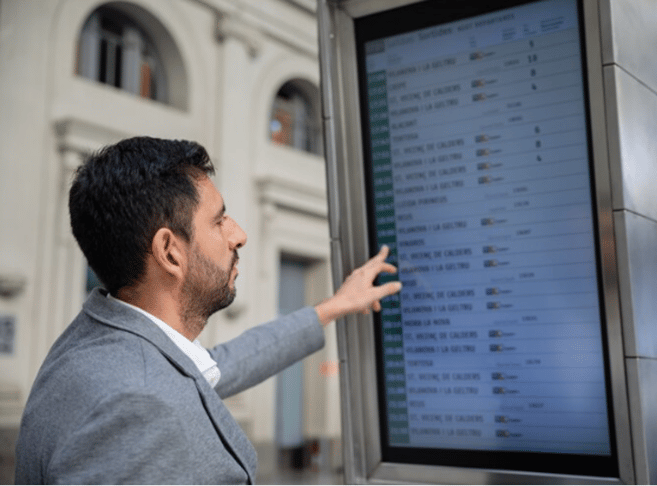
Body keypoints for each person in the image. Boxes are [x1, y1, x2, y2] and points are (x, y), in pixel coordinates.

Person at [14, 136, 401, 485]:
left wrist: (333, 306)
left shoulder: (102, 345)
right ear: (170, 252)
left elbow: (218, 365)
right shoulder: (141, 407)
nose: (239, 235)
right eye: (219, 221)